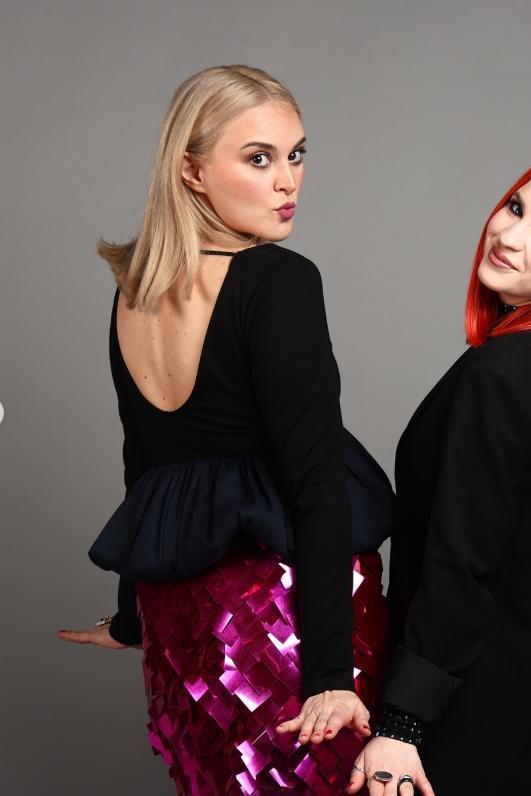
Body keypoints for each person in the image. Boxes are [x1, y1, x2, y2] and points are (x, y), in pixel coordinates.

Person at [57, 64, 393, 795]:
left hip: (181, 629)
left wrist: (131, 617)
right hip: (286, 628)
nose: (287, 182)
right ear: (192, 171)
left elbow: (145, 473)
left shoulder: (135, 292)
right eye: (258, 158)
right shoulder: (279, 280)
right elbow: (315, 485)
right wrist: (330, 678)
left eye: (295, 155)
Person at [348, 153, 531, 796]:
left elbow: (462, 565)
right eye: (516, 207)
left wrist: (402, 724)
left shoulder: (504, 374)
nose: (509, 235)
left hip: (465, 720)